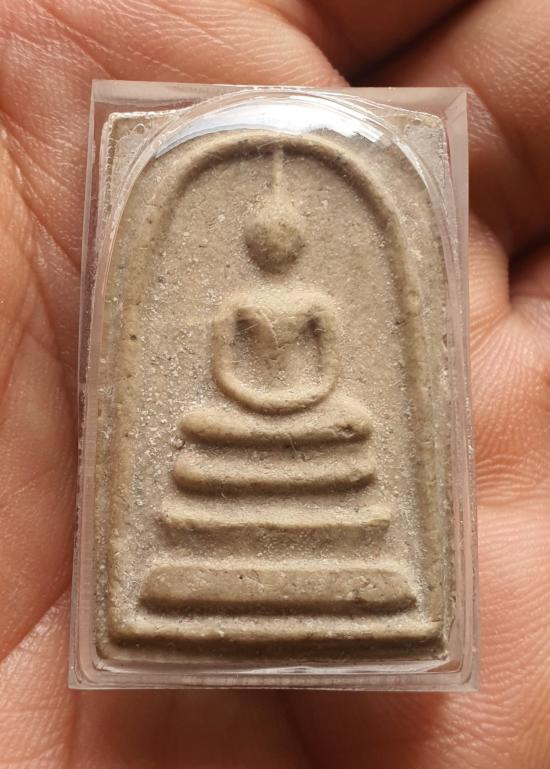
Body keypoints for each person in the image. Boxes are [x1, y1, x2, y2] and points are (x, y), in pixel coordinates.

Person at [0, 1, 548, 766]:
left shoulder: (316, 302)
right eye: (270, 239)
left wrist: (301, 401)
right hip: (242, 411)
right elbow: (228, 368)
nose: (278, 249)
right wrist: (254, 400)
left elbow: (326, 370)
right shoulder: (237, 303)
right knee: (205, 435)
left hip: (309, 411)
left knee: (351, 423)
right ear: (260, 245)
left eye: (286, 240)